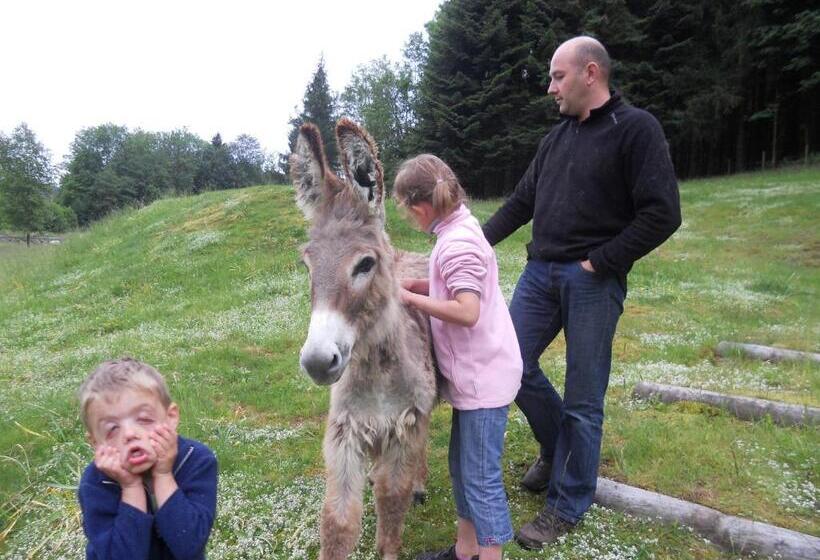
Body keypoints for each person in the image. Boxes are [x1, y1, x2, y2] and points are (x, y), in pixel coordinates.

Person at [481, 36, 682, 549]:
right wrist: (464, 246)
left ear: (590, 73)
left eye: (557, 77)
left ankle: (566, 505)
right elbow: (520, 202)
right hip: (540, 274)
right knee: (509, 365)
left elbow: (663, 212)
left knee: (583, 398)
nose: (550, 88)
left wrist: (605, 259)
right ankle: (556, 450)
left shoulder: (635, 129)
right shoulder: (555, 139)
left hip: (593, 280)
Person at [394, 154, 522, 560]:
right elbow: (451, 284)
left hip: (484, 381)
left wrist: (411, 297)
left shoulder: (457, 243)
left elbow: (467, 310)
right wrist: (419, 281)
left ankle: (490, 554)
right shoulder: (458, 227)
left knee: (481, 479)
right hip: (473, 379)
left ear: (419, 208)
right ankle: (464, 552)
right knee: (462, 471)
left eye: (408, 213)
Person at [77, 357, 218, 559]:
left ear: (171, 417)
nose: (129, 434)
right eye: (112, 428)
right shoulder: (96, 483)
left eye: (144, 419)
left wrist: (163, 474)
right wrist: (131, 487)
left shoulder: (195, 460)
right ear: (96, 443)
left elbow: (190, 546)